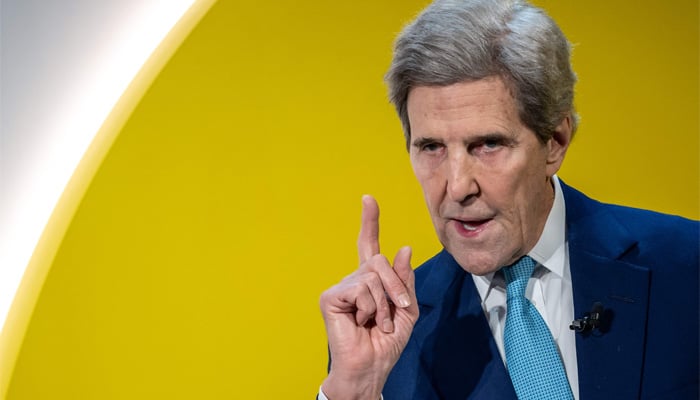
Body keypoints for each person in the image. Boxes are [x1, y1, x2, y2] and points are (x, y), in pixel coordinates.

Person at [318, 0, 699, 399]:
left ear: (555, 142)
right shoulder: (385, 336)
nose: (458, 186)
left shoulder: (687, 267)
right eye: (431, 147)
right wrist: (354, 393)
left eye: (487, 144)